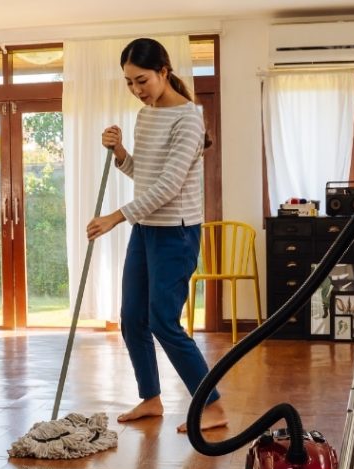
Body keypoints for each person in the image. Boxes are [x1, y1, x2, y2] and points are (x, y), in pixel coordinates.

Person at [86, 37, 227, 433]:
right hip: (147, 230)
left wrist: (115, 216)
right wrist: (119, 153)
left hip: (176, 234)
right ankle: (151, 398)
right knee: (132, 318)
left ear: (164, 72)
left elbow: (168, 186)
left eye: (142, 80)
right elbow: (144, 175)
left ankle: (212, 406)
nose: (136, 90)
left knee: (164, 322)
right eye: (129, 82)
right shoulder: (145, 115)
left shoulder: (188, 118)